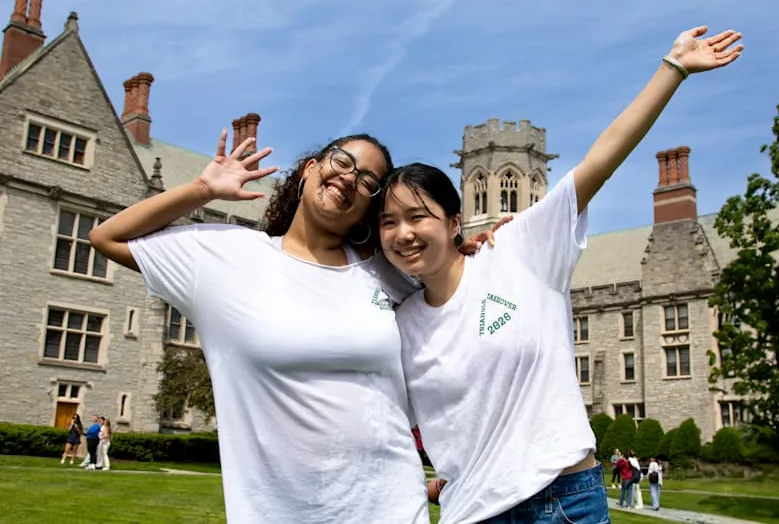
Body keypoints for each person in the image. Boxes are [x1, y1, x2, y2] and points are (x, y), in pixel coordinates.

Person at [377, 25, 743, 524]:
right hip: (471, 512)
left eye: (418, 216)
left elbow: (599, 163)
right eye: (388, 223)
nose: (403, 234)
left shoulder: (522, 248)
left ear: (454, 218)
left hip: (563, 503)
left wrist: (673, 68)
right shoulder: (399, 320)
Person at [89, 131, 502, 522]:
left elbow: (459, 313)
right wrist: (203, 189)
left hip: (391, 506)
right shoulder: (228, 257)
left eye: (368, 182)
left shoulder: (385, 274)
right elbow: (108, 238)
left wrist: (469, 247)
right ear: (308, 169)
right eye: (342, 161)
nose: (349, 178)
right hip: (277, 511)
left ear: (368, 212)